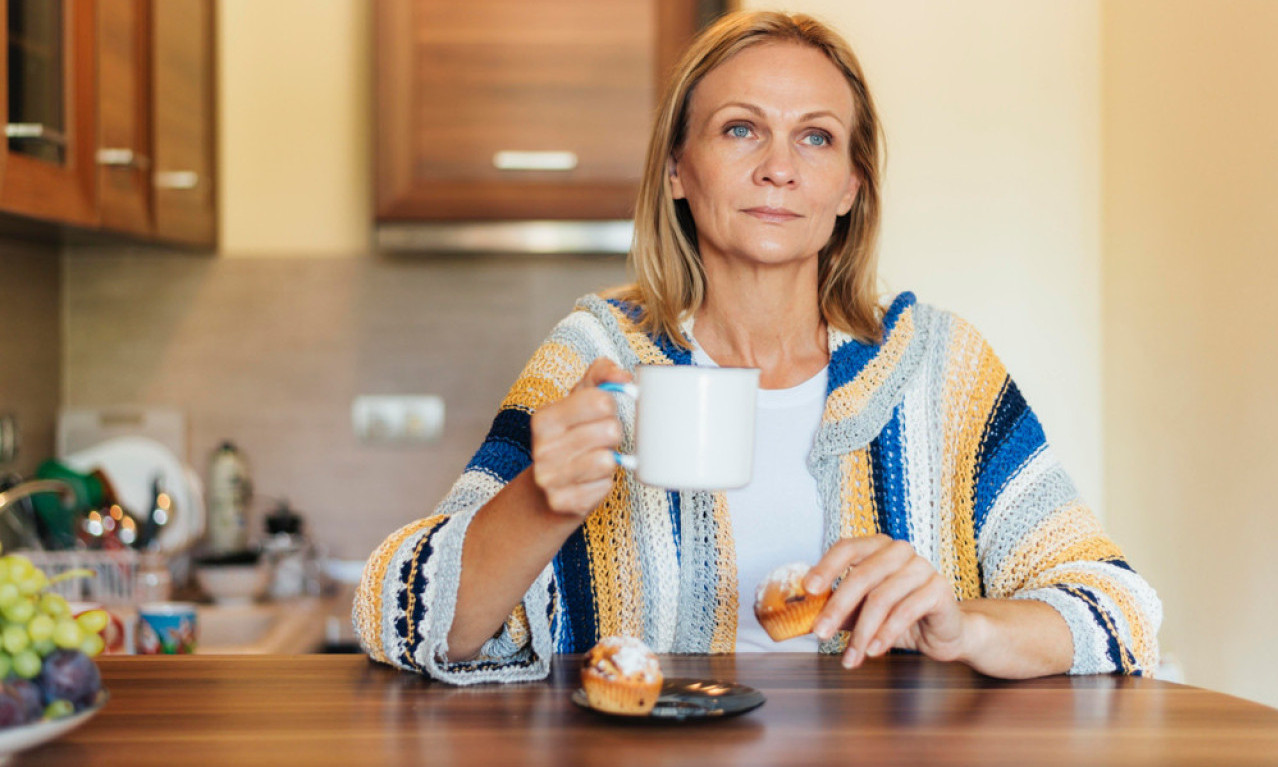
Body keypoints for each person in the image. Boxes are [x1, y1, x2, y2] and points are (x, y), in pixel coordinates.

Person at [353, 10, 1161, 685]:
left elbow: (1120, 612)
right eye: (741, 129)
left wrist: (962, 623)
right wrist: (541, 500)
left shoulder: (940, 370)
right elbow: (401, 618)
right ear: (677, 168)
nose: (779, 168)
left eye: (815, 138)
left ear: (850, 186)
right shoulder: (596, 353)